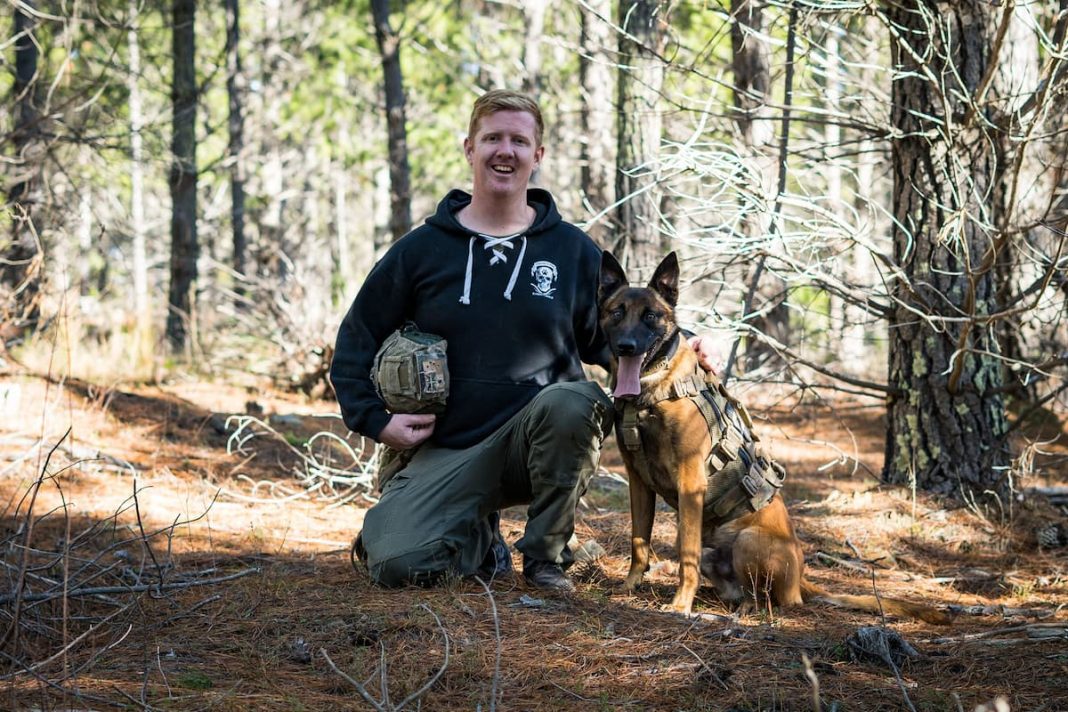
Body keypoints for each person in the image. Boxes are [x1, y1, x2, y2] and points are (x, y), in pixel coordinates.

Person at [331, 89, 720, 591]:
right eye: (492, 138)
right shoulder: (420, 251)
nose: (505, 151)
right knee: (397, 565)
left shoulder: (573, 251)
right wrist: (376, 421)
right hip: (444, 449)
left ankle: (545, 555)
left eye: (519, 140)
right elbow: (356, 338)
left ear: (537, 156)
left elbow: (620, 333)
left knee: (576, 400)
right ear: (469, 148)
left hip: (537, 445)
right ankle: (478, 538)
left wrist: (690, 345)